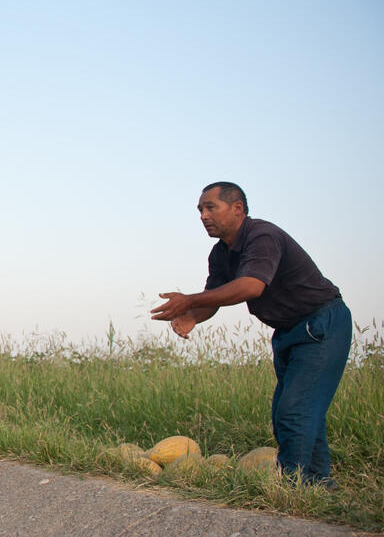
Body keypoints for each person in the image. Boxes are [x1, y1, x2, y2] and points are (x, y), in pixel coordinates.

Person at [150, 182, 350, 488]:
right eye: (200, 210)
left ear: (238, 209)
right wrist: (191, 317)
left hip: (320, 323)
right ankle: (316, 484)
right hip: (288, 331)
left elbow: (251, 286)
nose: (203, 216)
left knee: (294, 410)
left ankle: (293, 488)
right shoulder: (220, 254)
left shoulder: (262, 236)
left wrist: (189, 300)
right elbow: (213, 298)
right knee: (298, 408)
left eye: (210, 207)